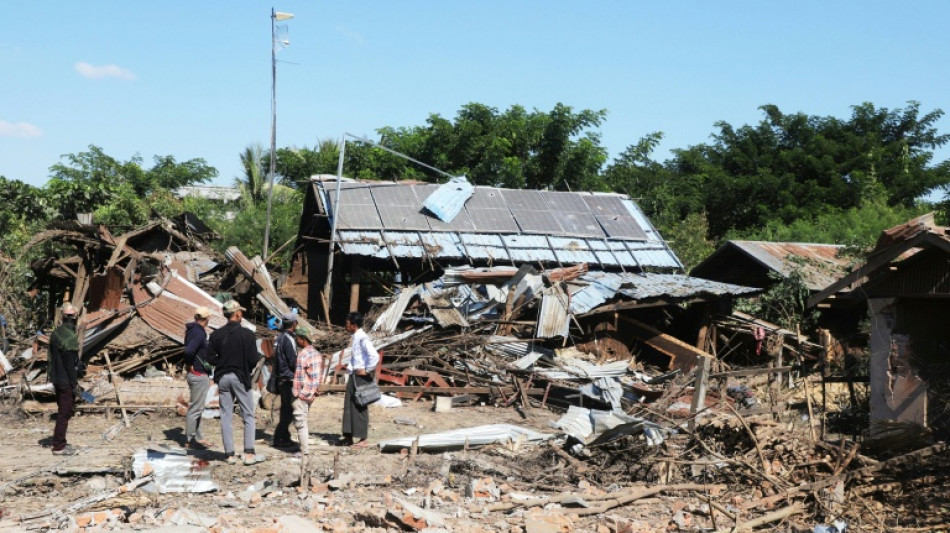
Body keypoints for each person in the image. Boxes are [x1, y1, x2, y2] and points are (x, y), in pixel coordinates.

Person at [207, 299, 265, 465]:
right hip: (240, 377)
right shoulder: (247, 334)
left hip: (223, 378)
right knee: (248, 414)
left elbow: (209, 357)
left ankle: (229, 454)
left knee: (226, 415)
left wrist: (222, 363)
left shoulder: (216, 335)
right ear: (237, 314)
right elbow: (254, 358)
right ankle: (248, 454)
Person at [341, 312, 379, 447]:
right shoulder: (356, 338)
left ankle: (363, 439)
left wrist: (367, 370)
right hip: (353, 375)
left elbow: (374, 356)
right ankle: (348, 436)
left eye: (347, 323)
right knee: (349, 406)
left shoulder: (363, 338)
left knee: (360, 405)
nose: (346, 326)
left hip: (360, 376)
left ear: (354, 325)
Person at [291, 324, 323, 485]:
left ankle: (305, 452)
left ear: (303, 339)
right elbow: (316, 378)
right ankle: (303, 450)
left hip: (302, 394)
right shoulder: (316, 354)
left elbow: (303, 377)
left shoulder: (303, 355)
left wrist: (301, 394)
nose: (296, 340)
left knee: (300, 423)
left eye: (298, 338)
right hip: (309, 394)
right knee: (303, 420)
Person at [49, 303, 82, 455]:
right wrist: (75, 384)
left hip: (56, 378)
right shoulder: (70, 337)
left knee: (63, 411)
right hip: (65, 381)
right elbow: (70, 365)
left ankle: (59, 442)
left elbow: (52, 358)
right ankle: (58, 447)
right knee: (65, 413)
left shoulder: (56, 333)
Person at [183, 306, 214, 450]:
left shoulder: (191, 330)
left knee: (197, 407)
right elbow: (189, 351)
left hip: (195, 374)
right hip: (198, 374)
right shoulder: (199, 333)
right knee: (195, 409)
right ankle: (190, 440)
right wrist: (189, 364)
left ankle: (199, 437)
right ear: (206, 319)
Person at [272, 312, 298, 449]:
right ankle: (278, 437)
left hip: (280, 377)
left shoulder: (279, 338)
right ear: (294, 324)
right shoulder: (288, 339)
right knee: (289, 410)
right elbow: (293, 361)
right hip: (288, 378)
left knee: (285, 409)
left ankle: (285, 437)